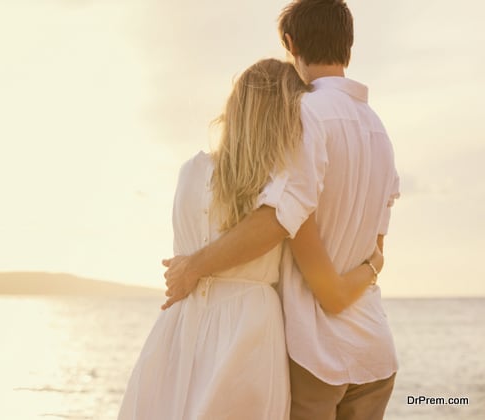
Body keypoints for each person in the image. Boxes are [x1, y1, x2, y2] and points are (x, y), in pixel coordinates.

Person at [162, 1, 400, 419]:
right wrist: (370, 270)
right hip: (374, 351)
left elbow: (278, 218)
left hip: (318, 355)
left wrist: (193, 267)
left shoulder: (303, 116)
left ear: (290, 43)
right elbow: (376, 246)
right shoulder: (379, 130)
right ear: (349, 44)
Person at [118, 59, 383, 420]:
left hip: (182, 323)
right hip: (249, 326)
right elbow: (292, 245)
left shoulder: (191, 170)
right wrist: (372, 265)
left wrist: (194, 268)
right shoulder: (278, 187)